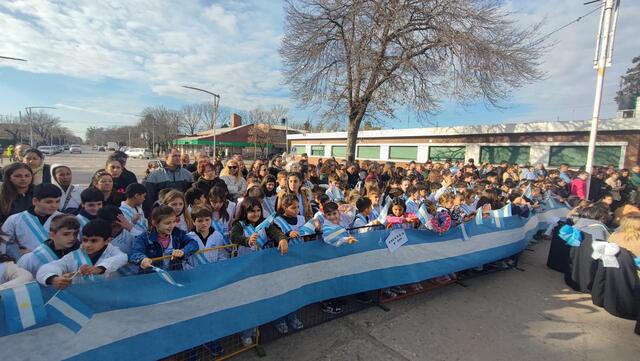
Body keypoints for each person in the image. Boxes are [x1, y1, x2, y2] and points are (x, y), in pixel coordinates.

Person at [36, 219, 128, 289]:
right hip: (82, 302)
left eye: (94, 240)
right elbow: (47, 268)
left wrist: (99, 269)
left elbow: (122, 258)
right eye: (85, 240)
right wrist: (53, 279)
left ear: (108, 240)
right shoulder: (73, 256)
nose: (87, 245)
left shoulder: (114, 252)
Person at [1, 183, 62, 260]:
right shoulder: (15, 219)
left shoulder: (65, 219)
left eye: (57, 201)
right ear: (35, 201)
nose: (54, 205)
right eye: (49, 202)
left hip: (58, 265)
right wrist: (16, 252)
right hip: (22, 265)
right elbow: (3, 244)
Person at [130, 206, 199, 271]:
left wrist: (183, 251)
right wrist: (142, 259)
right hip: (153, 278)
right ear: (154, 223)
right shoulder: (143, 238)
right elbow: (134, 253)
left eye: (174, 221)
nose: (172, 226)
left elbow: (193, 244)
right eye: (167, 223)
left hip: (176, 276)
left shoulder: (177, 233)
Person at [143, 149, 194, 214]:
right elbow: (149, 198)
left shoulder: (187, 174)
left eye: (179, 156)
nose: (178, 158)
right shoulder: (155, 175)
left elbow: (190, 195)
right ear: (166, 157)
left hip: (182, 214)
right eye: (174, 156)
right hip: (162, 214)